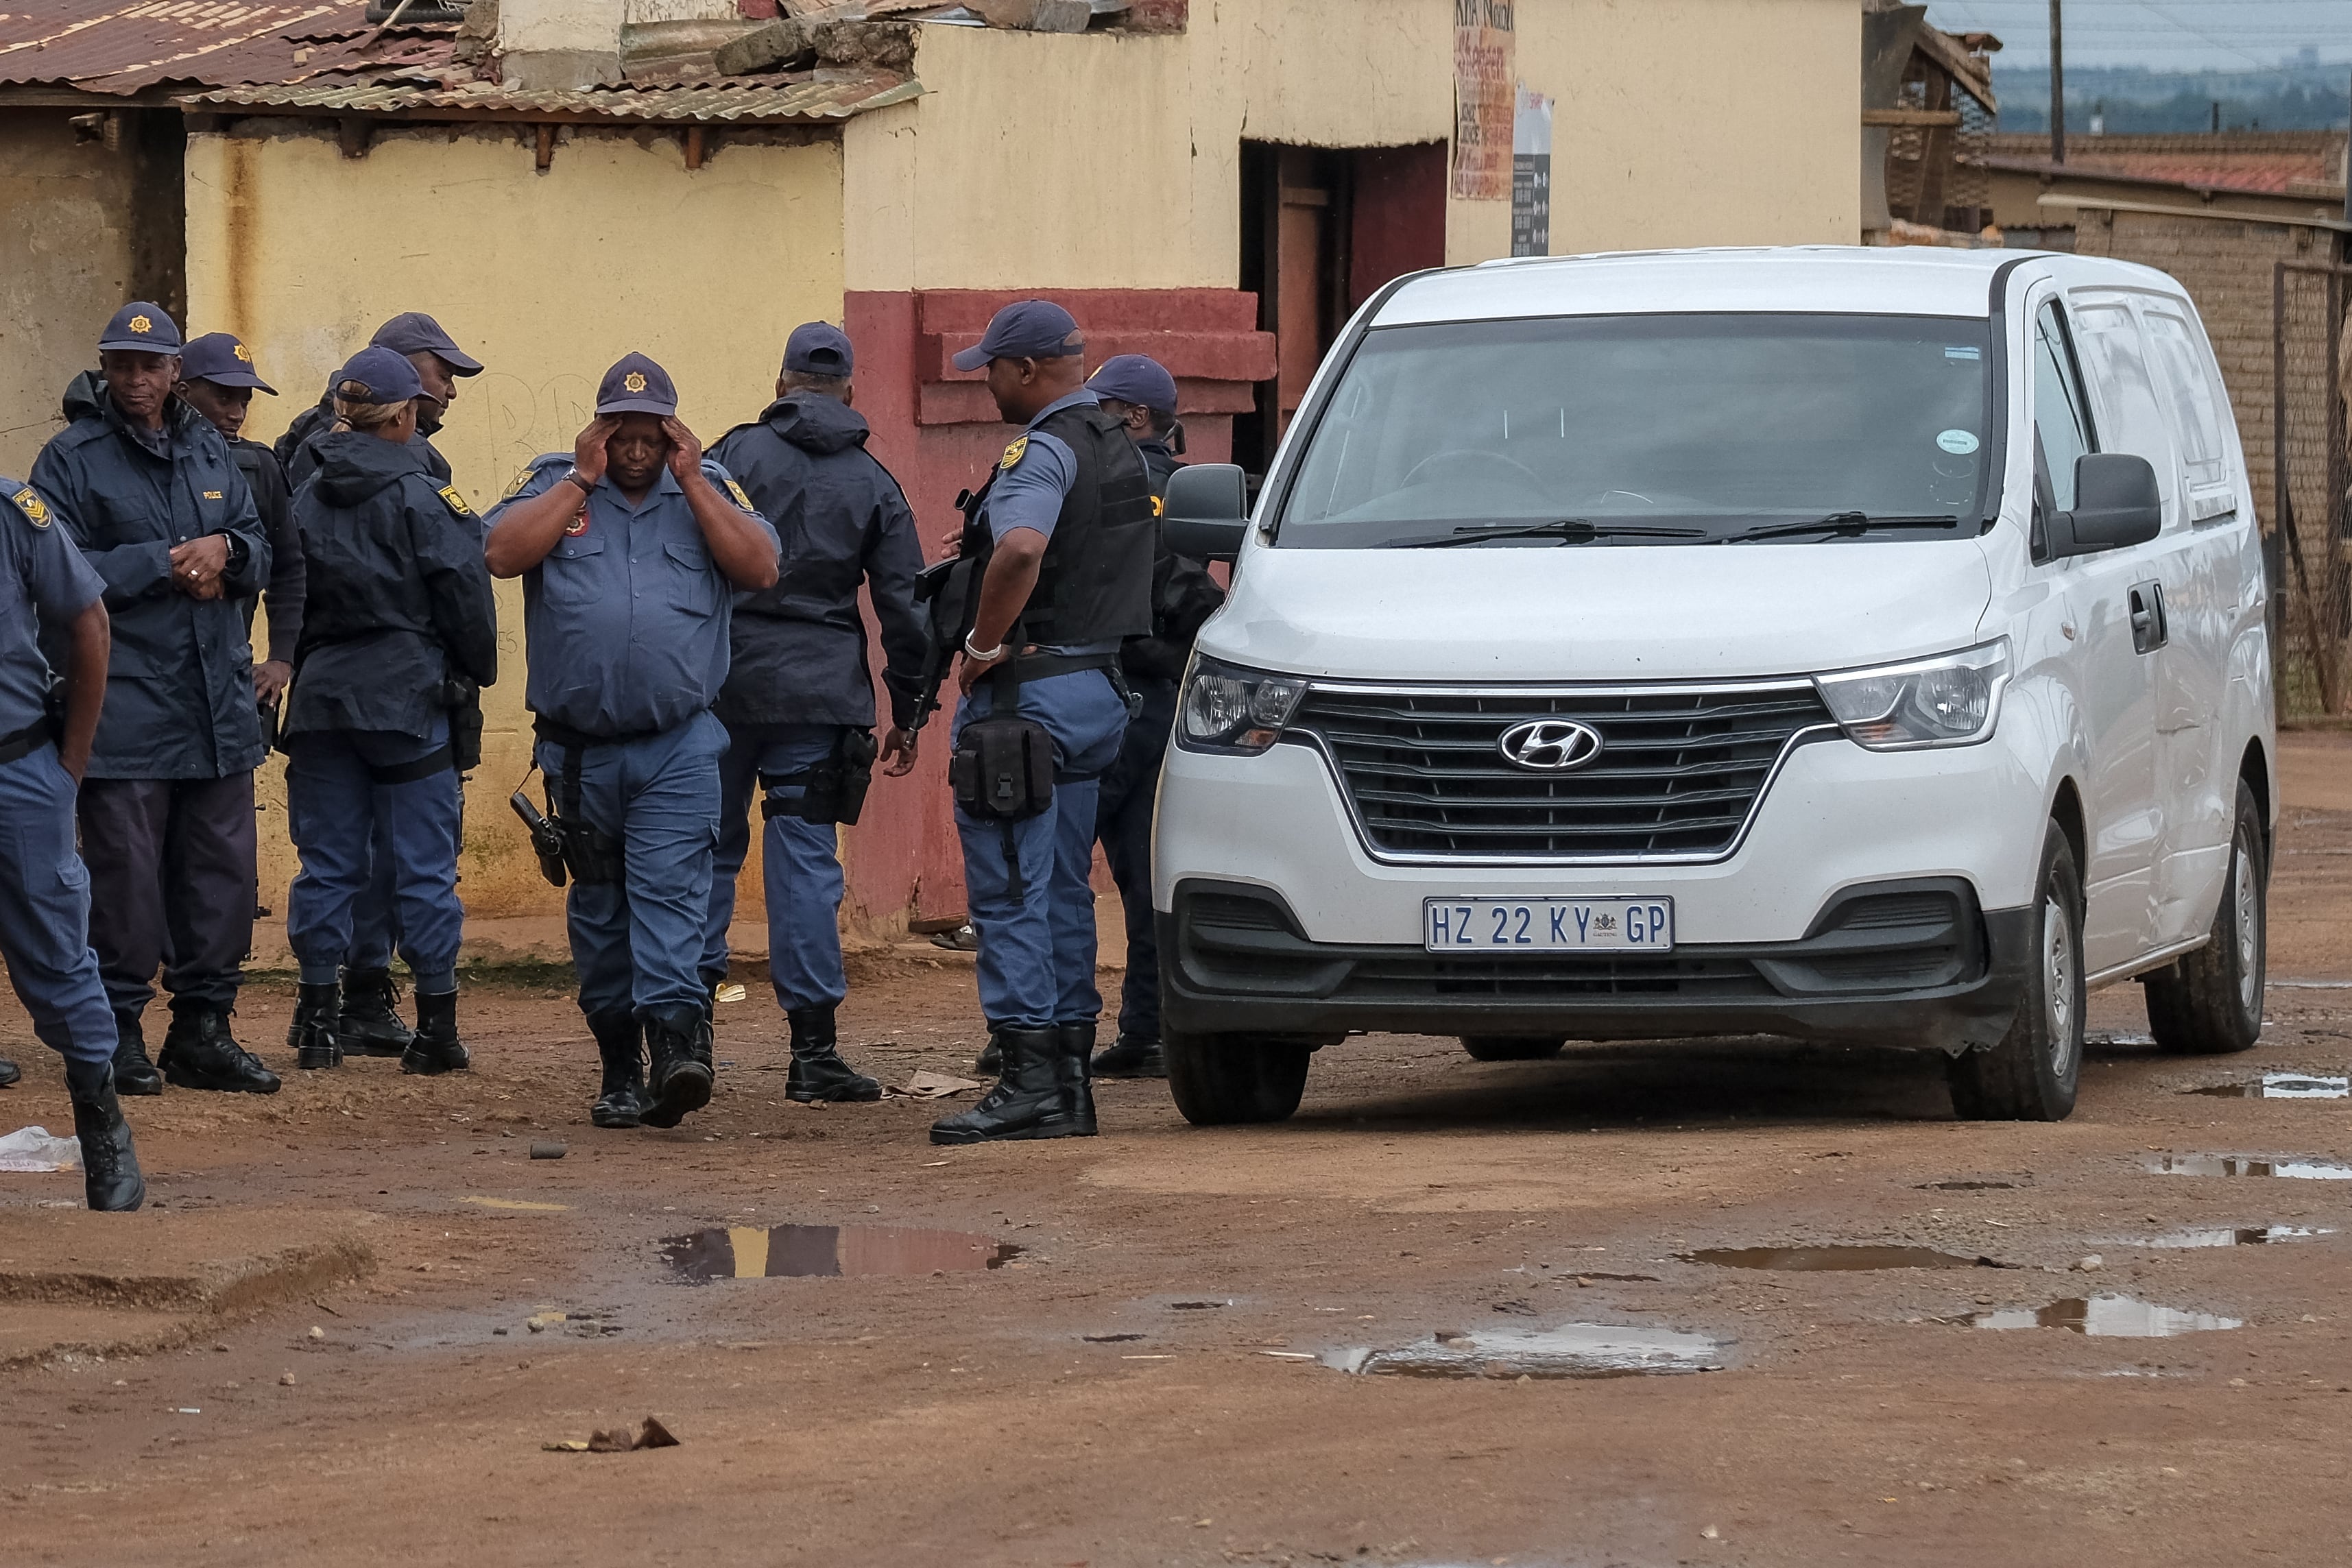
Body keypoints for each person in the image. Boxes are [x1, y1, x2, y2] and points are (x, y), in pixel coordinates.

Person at [485, 354, 778, 1131]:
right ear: (600, 428)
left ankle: (679, 1046)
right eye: (623, 433)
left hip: (677, 745)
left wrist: (693, 481)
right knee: (601, 908)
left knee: (671, 894)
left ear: (674, 433)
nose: (637, 450)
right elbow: (499, 554)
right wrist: (578, 482)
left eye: (653, 435)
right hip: (579, 754)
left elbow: (760, 566)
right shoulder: (557, 481)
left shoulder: (707, 487)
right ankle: (620, 1064)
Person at [32, 303, 278, 1097]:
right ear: (106, 369)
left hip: (218, 706)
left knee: (222, 876)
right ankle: (120, 1033)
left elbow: (260, 546)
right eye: (121, 365)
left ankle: (205, 1029)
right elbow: (51, 571)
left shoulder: (212, 447)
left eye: (151, 366)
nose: (135, 379)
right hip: (126, 707)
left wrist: (231, 549)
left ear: (177, 372)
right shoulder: (71, 459)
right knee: (125, 879)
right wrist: (163, 563)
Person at [928, 301, 1155, 1146]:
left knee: (1012, 890)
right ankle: (1067, 1083)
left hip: (1030, 699)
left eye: (992, 368)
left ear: (1025, 370)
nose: (985, 384)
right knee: (1061, 887)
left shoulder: (1042, 448)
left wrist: (983, 640)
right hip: (1097, 688)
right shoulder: (1116, 442)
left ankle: (1028, 1084)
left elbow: (1021, 549)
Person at [701, 322, 926, 1104]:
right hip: (821, 693)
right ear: (851, 393)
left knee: (705, 849)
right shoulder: (873, 480)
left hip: (719, 685)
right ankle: (813, 1053)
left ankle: (684, 1036)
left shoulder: (730, 458)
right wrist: (910, 707)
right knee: (803, 863)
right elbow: (903, 605)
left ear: (780, 387)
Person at [281, 348, 498, 1075]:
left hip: (319, 699)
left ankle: (316, 1022)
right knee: (423, 869)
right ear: (405, 416)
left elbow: (285, 595)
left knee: (328, 865)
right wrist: (476, 671)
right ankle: (436, 1027)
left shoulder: (302, 494)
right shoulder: (424, 495)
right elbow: (465, 597)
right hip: (406, 698)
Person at [0, 473, 145, 1208]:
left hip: (18, 771)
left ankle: (103, 1129)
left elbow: (89, 622)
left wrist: (71, 766)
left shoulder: (12, 513)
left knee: (57, 953)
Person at [1081, 354, 1225, 1080]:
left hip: (1099, 689)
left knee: (1051, 867)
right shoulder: (1193, 489)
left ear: (1134, 417)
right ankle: (1149, 1027)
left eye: (1099, 406)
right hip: (1165, 699)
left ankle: (1047, 1031)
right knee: (1145, 876)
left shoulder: (1105, 476)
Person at [174, 332, 304, 742]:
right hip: (145, 673)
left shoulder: (257, 465)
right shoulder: (143, 460)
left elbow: (289, 567)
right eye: (224, 398)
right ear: (181, 391)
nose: (237, 412)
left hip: (227, 669)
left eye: (244, 400)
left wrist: (281, 659)